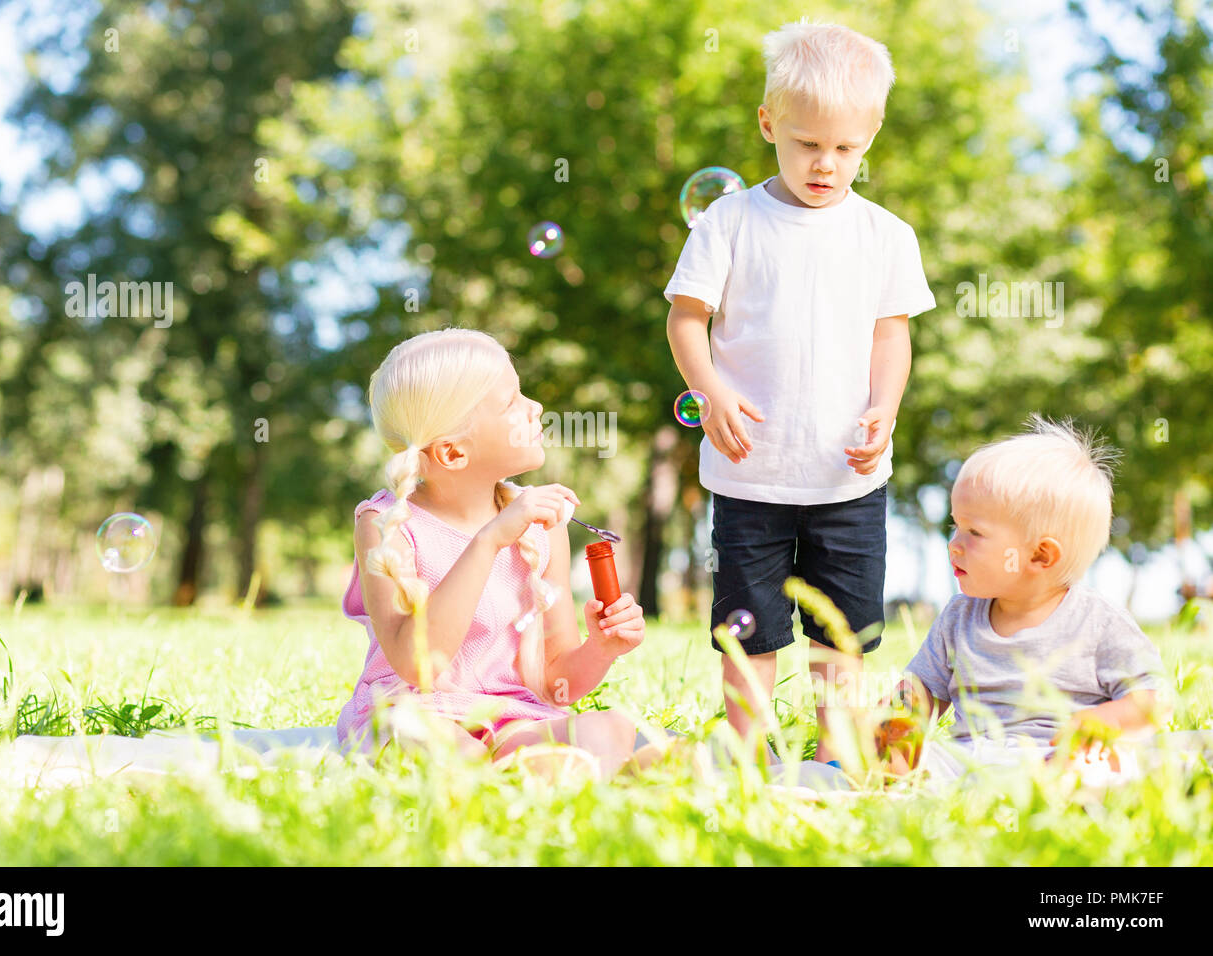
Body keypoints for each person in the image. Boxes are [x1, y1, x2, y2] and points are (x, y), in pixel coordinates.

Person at [665, 20, 936, 763]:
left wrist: (885, 406)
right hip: (751, 471)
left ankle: (834, 750)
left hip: (847, 476)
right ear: (768, 124)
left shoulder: (886, 235)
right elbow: (686, 319)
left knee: (841, 630)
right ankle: (751, 751)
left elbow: (891, 335)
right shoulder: (730, 222)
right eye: (806, 143)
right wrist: (710, 388)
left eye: (845, 148)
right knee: (748, 624)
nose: (825, 163)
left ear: (871, 135)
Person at [336, 328, 647, 779]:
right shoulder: (385, 524)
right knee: (435, 743)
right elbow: (419, 665)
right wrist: (489, 540)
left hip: (509, 719)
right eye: (512, 402)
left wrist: (600, 649)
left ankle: (526, 774)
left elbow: (557, 684)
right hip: (413, 712)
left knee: (609, 728)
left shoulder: (542, 525)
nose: (535, 407)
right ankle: (542, 778)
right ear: (454, 451)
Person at [878, 416, 1171, 782]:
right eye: (956, 526)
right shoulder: (958, 618)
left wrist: (1102, 720)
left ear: (1039, 556)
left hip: (1057, 755)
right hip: (970, 759)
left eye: (974, 532)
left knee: (1100, 768)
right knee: (910, 765)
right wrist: (891, 727)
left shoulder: (1097, 621)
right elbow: (917, 696)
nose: (954, 544)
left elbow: (1153, 702)